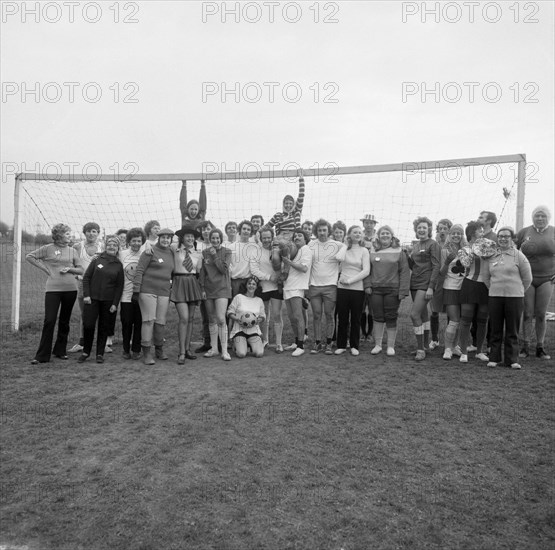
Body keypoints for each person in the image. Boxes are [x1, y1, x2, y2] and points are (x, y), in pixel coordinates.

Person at [26, 223, 83, 364]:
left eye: (70, 234)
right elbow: (30, 257)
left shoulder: (72, 251)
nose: (71, 236)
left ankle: (60, 351)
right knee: (49, 320)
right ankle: (42, 355)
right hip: (52, 290)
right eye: (68, 234)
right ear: (59, 235)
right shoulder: (47, 249)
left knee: (64, 321)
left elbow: (81, 270)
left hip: (70, 289)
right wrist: (45, 269)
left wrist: (69, 269)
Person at [483, 226, 532, 369]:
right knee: (495, 329)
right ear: (497, 239)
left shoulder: (519, 256)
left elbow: (527, 278)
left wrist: (518, 290)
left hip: (515, 297)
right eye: (500, 236)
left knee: (512, 329)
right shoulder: (491, 256)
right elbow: (486, 277)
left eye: (506, 236)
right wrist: (494, 289)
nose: (503, 239)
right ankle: (494, 358)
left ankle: (512, 360)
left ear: (512, 239)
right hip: (495, 297)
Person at [364, 225, 410, 356]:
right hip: (375, 290)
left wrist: (403, 291)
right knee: (377, 316)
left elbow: (404, 272)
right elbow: (367, 269)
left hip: (393, 290)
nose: (385, 235)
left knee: (391, 316)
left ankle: (390, 346)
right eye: (382, 233)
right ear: (378, 236)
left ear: (392, 236)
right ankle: (378, 345)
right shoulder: (372, 250)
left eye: (387, 234)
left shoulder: (399, 251)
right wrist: (367, 285)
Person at [78, 235, 124, 364]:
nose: (112, 246)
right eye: (109, 244)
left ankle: (99, 353)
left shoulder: (118, 265)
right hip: (92, 299)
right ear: (105, 246)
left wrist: (115, 303)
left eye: (115, 245)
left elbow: (119, 286)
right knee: (88, 325)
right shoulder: (97, 260)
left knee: (104, 327)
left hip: (108, 301)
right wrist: (86, 295)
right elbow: (86, 277)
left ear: (117, 248)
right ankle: (86, 352)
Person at [517, 205, 555, 360]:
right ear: (532, 217)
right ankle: (525, 346)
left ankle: (540, 347)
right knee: (527, 313)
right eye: (537, 216)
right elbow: (513, 252)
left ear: (548, 217)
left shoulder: (553, 231)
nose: (540, 218)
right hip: (527, 279)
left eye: (543, 216)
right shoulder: (524, 232)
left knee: (540, 314)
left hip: (547, 278)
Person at [133, 228, 175, 365]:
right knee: (149, 320)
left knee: (160, 322)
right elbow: (139, 270)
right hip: (147, 291)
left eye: (168, 238)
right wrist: (136, 290)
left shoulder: (172, 252)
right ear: (158, 238)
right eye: (163, 237)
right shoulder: (149, 251)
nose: (165, 240)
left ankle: (159, 349)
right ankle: (146, 353)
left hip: (164, 292)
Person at [456, 221, 496, 364]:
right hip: (470, 284)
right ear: (472, 233)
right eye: (480, 231)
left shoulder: (488, 246)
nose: (483, 233)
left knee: (482, 320)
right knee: (466, 319)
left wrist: (488, 252)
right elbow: (466, 263)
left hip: (486, 286)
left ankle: (479, 351)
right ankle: (464, 352)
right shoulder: (464, 249)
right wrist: (475, 250)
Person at [308, 219, 345, 354]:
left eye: (324, 230)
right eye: (319, 230)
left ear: (329, 231)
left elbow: (348, 252)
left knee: (329, 315)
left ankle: (329, 343)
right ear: (316, 231)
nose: (322, 233)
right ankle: (317, 342)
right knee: (317, 315)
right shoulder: (311, 245)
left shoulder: (338, 245)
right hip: (314, 286)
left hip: (330, 286)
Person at [408, 217, 442, 361]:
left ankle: (420, 349)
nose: (421, 230)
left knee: (414, 315)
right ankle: (426, 346)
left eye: (424, 227)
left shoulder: (433, 244)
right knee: (422, 315)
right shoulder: (415, 246)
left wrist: (430, 287)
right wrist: (406, 257)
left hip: (425, 284)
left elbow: (436, 266)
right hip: (414, 283)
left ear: (429, 229)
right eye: (419, 228)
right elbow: (414, 266)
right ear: (416, 230)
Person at [334, 225, 370, 356]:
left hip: (357, 289)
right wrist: (345, 245)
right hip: (342, 288)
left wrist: (350, 281)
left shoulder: (364, 251)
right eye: (355, 232)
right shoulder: (344, 249)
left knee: (356, 318)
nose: (358, 234)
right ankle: (341, 345)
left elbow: (366, 271)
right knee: (342, 318)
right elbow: (338, 259)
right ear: (349, 234)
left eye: (360, 232)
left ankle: (354, 345)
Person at [68, 222, 103, 353]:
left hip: (99, 284)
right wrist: (76, 275)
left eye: (94, 231)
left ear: (98, 233)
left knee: (101, 313)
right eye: (88, 231)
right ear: (84, 233)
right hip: (83, 284)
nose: (91, 233)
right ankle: (82, 343)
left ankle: (102, 343)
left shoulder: (102, 246)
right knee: (85, 314)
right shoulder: (77, 246)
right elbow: (69, 262)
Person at [171, 224, 203, 364]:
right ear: (182, 238)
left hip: (192, 283)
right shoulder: (174, 249)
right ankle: (181, 352)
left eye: (192, 236)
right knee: (183, 318)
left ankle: (188, 348)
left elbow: (199, 272)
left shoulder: (198, 253)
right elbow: (160, 245)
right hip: (179, 282)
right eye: (187, 236)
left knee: (190, 319)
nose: (190, 238)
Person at [199, 228, 232, 361]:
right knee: (211, 319)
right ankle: (214, 349)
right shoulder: (204, 252)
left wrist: (214, 256)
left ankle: (224, 351)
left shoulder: (227, 252)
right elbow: (203, 272)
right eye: (213, 238)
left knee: (221, 318)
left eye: (217, 238)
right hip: (208, 289)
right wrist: (202, 288)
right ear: (209, 239)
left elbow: (223, 270)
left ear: (221, 239)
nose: (215, 240)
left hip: (222, 288)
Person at [249, 227, 284, 352]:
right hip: (263, 287)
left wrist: (279, 277)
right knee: (264, 316)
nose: (266, 240)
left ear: (272, 237)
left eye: (268, 237)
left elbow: (284, 264)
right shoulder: (256, 251)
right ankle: (265, 340)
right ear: (260, 238)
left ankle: (279, 343)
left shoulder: (278, 249)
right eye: (264, 238)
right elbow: (254, 270)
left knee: (276, 314)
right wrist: (269, 277)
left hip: (276, 287)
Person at [262, 176, 305, 275]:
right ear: (283, 204)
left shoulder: (296, 214)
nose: (288, 205)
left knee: (285, 247)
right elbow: (267, 226)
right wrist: (258, 233)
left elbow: (301, 196)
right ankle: (280, 277)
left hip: (291, 240)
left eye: (290, 203)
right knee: (275, 259)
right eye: (286, 203)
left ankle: (286, 269)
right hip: (279, 239)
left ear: (293, 205)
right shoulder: (278, 215)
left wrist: (301, 179)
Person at [438, 224, 468, 360]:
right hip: (450, 287)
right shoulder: (445, 250)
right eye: (454, 233)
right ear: (450, 235)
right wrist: (447, 262)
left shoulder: (466, 250)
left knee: (461, 320)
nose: (456, 235)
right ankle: (447, 348)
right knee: (454, 320)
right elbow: (442, 272)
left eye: (459, 233)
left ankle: (455, 346)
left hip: (464, 288)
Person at [282, 230, 313, 356]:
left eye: (300, 235)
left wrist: (288, 262)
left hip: (297, 287)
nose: (296, 237)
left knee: (297, 316)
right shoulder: (294, 250)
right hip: (287, 286)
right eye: (295, 236)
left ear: (306, 238)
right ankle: (296, 342)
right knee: (291, 317)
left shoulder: (306, 249)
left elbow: (304, 268)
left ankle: (301, 346)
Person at [119, 227, 146, 360]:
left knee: (139, 322)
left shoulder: (146, 253)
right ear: (129, 241)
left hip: (141, 295)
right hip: (126, 294)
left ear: (142, 242)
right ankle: (125, 349)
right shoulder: (122, 254)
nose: (136, 243)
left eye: (139, 241)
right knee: (127, 323)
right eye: (134, 240)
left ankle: (136, 349)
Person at [227, 276, 266, 358]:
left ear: (256, 287)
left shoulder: (259, 300)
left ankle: (249, 344)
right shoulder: (239, 297)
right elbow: (230, 312)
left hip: (253, 330)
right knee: (241, 354)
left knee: (259, 354)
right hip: (239, 330)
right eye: (249, 283)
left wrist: (259, 319)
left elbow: (263, 316)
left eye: (253, 284)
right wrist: (237, 319)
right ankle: (238, 343)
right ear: (246, 285)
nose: (251, 286)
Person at [429, 218, 453, 349]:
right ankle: (434, 339)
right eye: (440, 228)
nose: (442, 231)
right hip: (437, 281)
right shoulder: (434, 244)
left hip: (450, 280)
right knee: (434, 311)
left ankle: (450, 341)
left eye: (445, 228)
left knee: (451, 311)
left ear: (450, 230)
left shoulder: (453, 244)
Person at [194, 220, 215, 353]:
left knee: (219, 314)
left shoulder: (218, 243)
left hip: (216, 283)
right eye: (203, 229)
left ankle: (219, 341)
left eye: (208, 228)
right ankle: (207, 342)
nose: (206, 231)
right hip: (202, 283)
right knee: (206, 314)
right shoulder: (197, 245)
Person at [360, 214, 379, 342]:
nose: (368, 225)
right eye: (366, 222)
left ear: (374, 225)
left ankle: (370, 334)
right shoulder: (359, 236)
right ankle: (362, 333)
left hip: (374, 275)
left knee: (372, 307)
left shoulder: (378, 238)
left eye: (371, 223)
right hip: (360, 275)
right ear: (363, 224)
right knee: (361, 307)